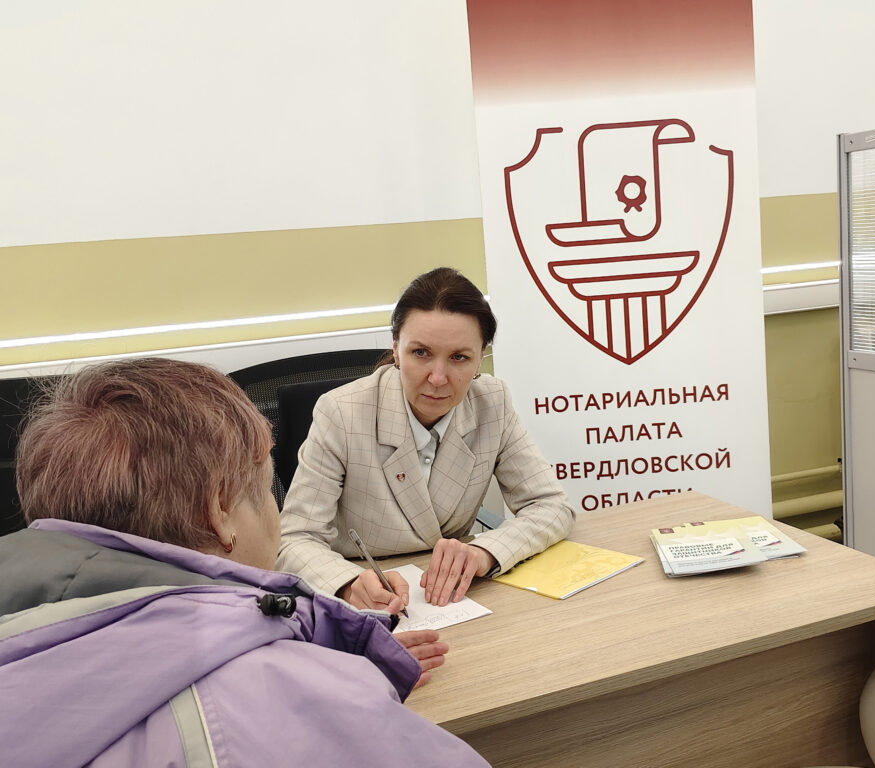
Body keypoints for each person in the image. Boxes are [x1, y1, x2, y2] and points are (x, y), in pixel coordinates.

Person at [0, 358, 489, 768]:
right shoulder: (297, 705)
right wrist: (326, 683)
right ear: (220, 511)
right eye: (266, 486)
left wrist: (323, 651)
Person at [278, 267, 574, 611]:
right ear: (396, 349)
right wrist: (347, 583)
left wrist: (485, 551)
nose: (437, 378)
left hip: (454, 596)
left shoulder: (492, 402)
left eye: (459, 357)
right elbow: (295, 538)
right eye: (420, 353)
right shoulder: (341, 412)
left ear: (480, 359)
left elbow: (551, 506)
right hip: (368, 596)